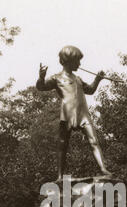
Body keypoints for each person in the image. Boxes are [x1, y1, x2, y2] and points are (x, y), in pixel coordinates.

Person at [36, 45, 112, 180]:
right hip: (67, 114)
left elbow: (90, 90)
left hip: (83, 113)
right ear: (68, 61)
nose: (79, 64)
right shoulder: (57, 78)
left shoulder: (78, 79)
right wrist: (41, 77)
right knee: (62, 144)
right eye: (77, 61)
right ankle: (59, 176)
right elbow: (41, 87)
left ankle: (103, 169)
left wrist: (97, 79)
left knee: (94, 141)